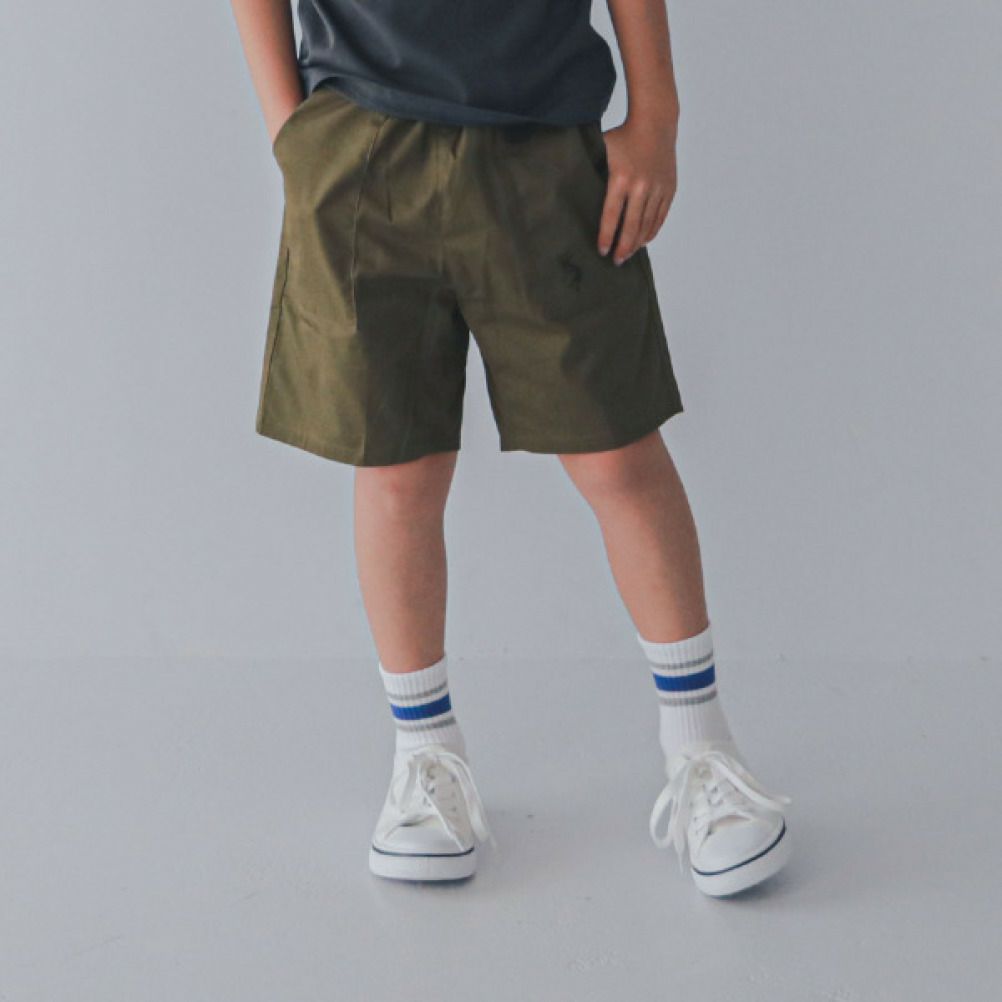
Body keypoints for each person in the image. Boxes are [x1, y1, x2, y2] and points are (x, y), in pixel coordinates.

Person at [230, 0, 791, 896]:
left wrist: (656, 116)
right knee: (397, 467)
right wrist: (288, 130)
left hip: (544, 141)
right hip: (361, 141)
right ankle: (424, 758)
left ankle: (702, 753)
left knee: (616, 452)